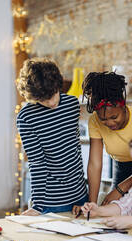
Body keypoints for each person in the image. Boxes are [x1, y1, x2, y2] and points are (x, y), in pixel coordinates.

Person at [16, 58, 87, 215]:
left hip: (80, 197)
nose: (51, 102)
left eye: (53, 94)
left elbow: (74, 152)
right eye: (43, 99)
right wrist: (38, 205)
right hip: (50, 203)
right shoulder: (26, 117)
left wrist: (86, 199)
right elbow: (37, 162)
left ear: (58, 85)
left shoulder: (72, 104)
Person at [82, 71, 132, 206]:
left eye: (114, 117)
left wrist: (121, 188)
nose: (110, 123)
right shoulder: (94, 122)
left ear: (123, 105)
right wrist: (92, 204)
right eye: (103, 119)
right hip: (121, 169)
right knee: (111, 212)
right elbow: (95, 164)